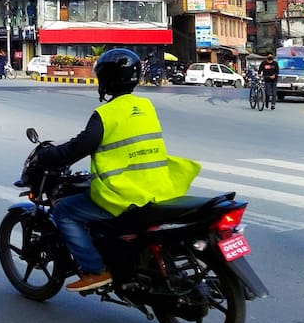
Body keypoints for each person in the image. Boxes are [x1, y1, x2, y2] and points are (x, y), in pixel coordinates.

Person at [32, 48, 200, 292]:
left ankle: (95, 270)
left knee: (64, 211)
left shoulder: (105, 114)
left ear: (106, 80)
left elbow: (78, 148)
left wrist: (47, 155)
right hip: (157, 186)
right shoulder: (146, 106)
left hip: (123, 194)